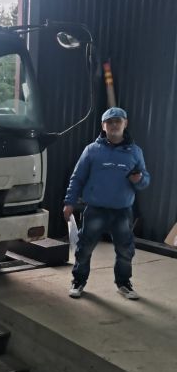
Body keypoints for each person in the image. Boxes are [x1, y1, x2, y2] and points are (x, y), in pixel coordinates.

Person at [63, 107, 150, 299]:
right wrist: (69, 202)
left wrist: (139, 180)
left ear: (125, 124)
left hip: (122, 211)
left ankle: (123, 284)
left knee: (125, 250)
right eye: (109, 122)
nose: (114, 125)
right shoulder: (91, 151)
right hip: (95, 209)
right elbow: (77, 178)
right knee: (84, 248)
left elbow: (145, 180)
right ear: (103, 126)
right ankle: (78, 281)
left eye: (118, 121)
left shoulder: (135, 152)